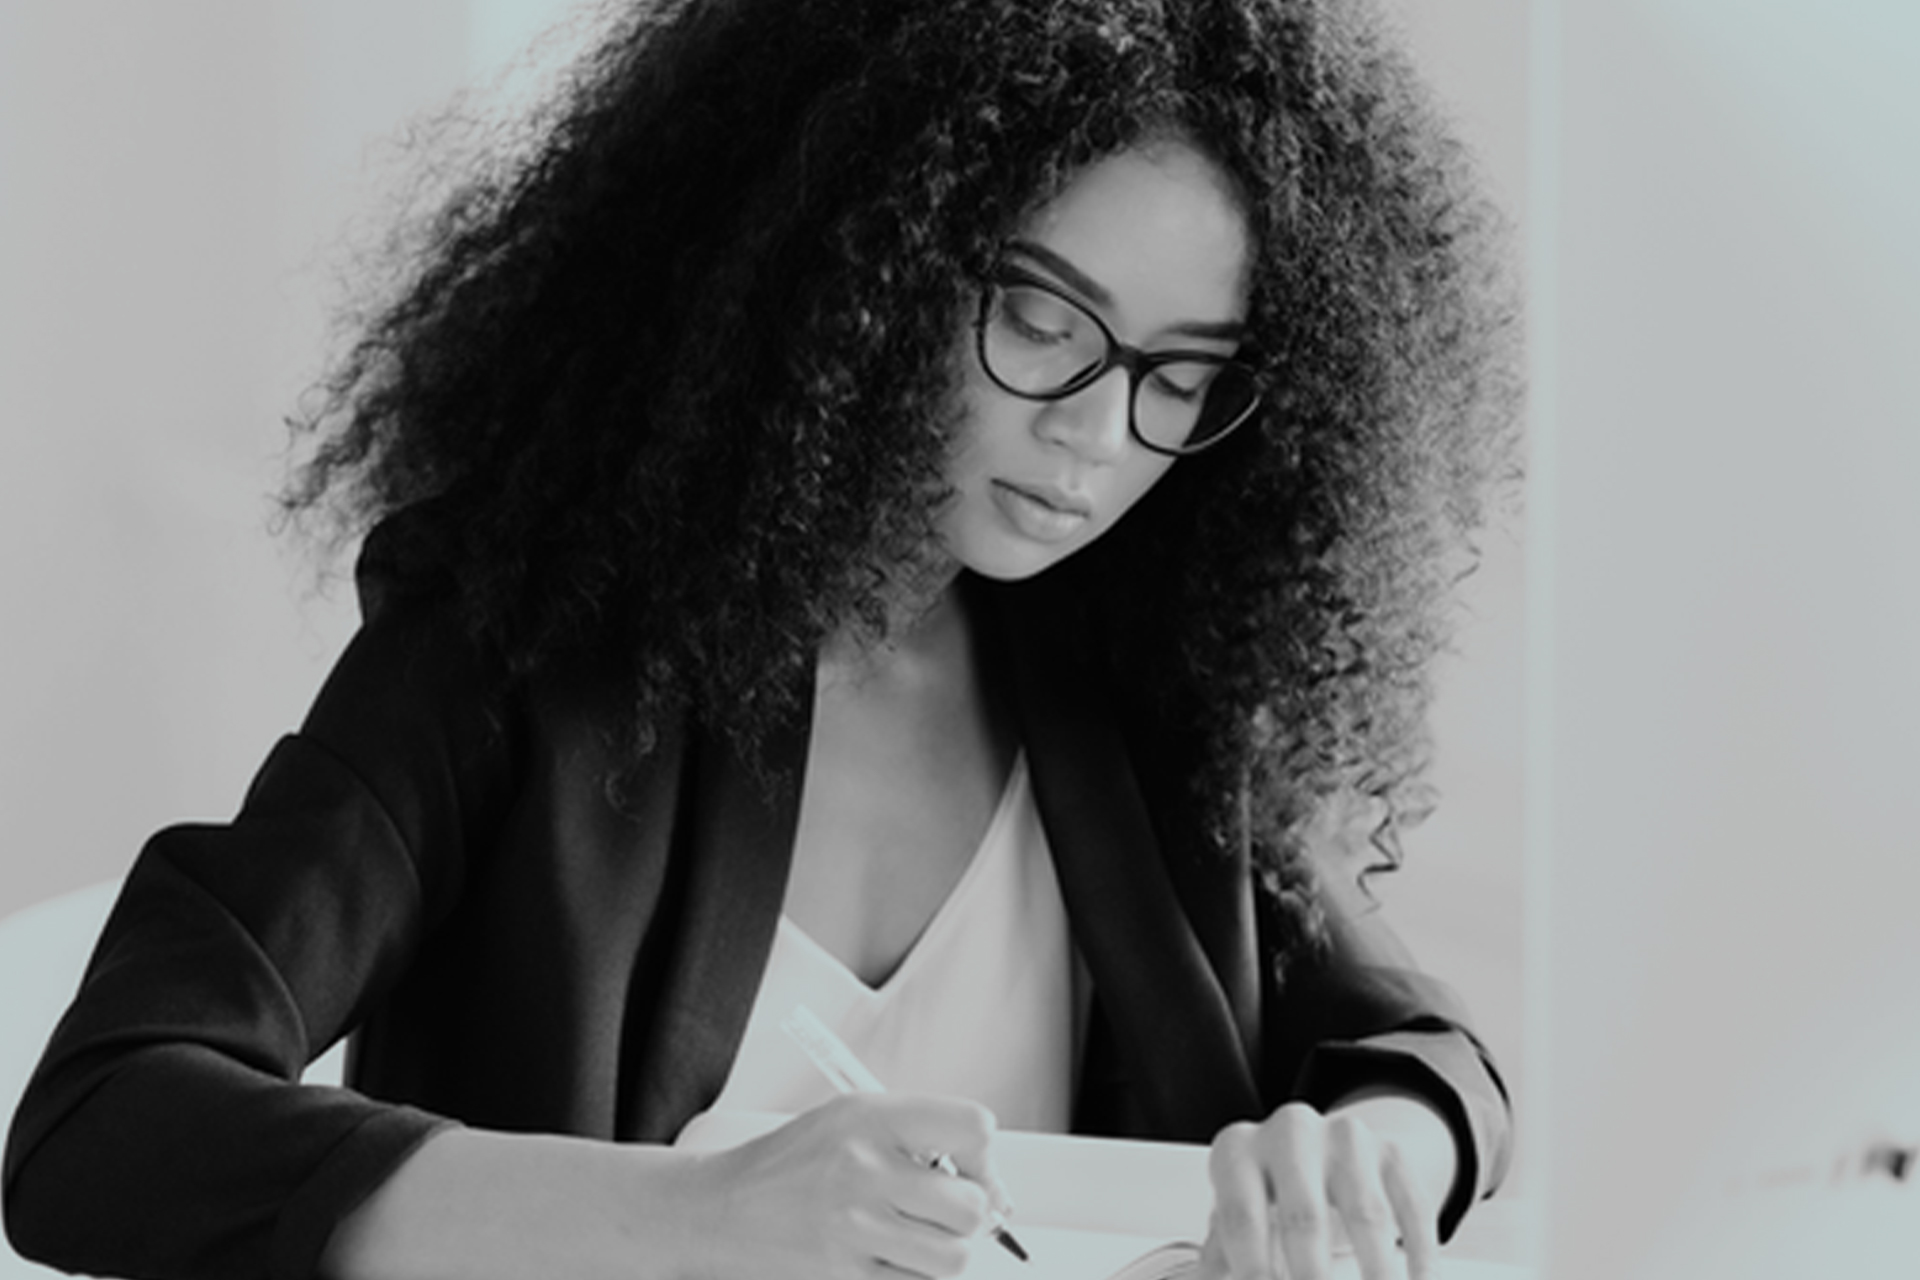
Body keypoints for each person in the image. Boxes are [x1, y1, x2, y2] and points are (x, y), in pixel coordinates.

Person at [3, 1, 1520, 1278]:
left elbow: (1435, 1061)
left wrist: (1368, 1163)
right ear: (856, 264)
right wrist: (682, 1221)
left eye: (1180, 377)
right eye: (1044, 322)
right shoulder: (526, 651)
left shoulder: (1151, 690)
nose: (1098, 437)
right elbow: (105, 1122)